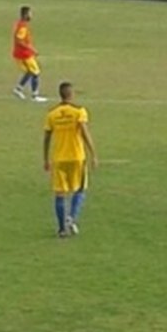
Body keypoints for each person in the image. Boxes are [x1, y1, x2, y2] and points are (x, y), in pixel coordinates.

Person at [44, 81, 98, 237]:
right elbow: (84, 133)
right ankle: (71, 217)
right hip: (76, 157)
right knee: (80, 190)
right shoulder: (79, 111)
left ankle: (61, 229)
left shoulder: (52, 114)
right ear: (71, 94)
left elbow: (47, 137)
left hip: (58, 159)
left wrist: (45, 159)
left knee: (60, 194)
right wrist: (93, 154)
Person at [12, 6, 47, 102]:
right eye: (30, 14)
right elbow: (19, 41)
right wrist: (32, 49)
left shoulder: (21, 24)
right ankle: (35, 96)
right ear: (26, 14)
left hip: (22, 53)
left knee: (30, 71)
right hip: (24, 54)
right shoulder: (23, 26)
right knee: (36, 72)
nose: (31, 16)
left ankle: (18, 89)